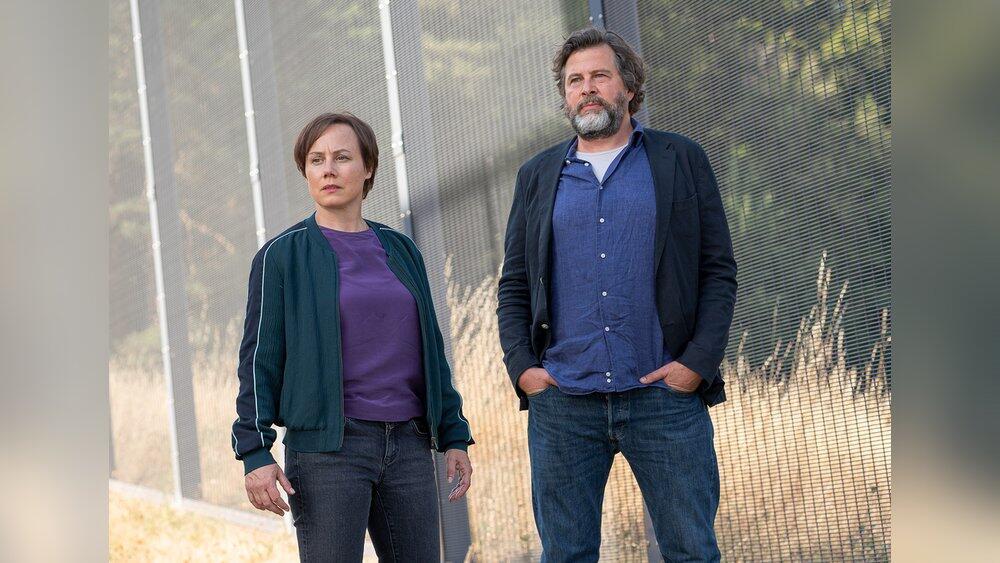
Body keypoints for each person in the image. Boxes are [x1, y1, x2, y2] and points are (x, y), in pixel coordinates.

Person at [497, 28, 737, 562]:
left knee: (692, 552)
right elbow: (515, 283)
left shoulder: (680, 159)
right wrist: (523, 368)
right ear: (565, 95)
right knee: (566, 555)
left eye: (599, 76)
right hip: (563, 402)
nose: (587, 88)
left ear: (628, 86)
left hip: (664, 397)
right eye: (574, 80)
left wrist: (695, 364)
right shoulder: (537, 176)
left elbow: (718, 271)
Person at [231, 112, 474, 562]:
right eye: (316, 159)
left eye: (342, 157)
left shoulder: (401, 249)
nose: (328, 169)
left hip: (409, 444)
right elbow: (259, 361)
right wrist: (255, 452)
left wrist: (453, 433)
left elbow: (430, 350)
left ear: (368, 168)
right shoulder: (281, 256)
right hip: (328, 452)